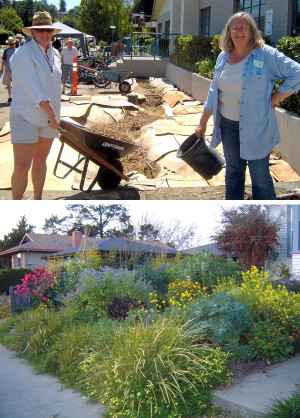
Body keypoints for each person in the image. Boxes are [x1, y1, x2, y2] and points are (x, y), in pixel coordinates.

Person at [195, 12, 300, 200]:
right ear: (228, 32)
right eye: (234, 27)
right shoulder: (223, 57)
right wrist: (202, 122)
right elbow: (213, 92)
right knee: (233, 174)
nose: (239, 31)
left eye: (244, 27)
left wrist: (277, 96)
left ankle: (267, 220)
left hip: (256, 127)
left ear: (252, 31)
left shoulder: (266, 54)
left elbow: (297, 73)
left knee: (260, 178)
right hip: (228, 126)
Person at [9, 11, 62, 200]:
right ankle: (16, 203)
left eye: (47, 29)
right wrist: (52, 113)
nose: (44, 33)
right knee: (22, 165)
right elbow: (34, 88)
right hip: (25, 114)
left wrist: (54, 113)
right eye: (39, 29)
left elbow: (55, 87)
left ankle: (37, 200)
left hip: (48, 117)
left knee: (40, 160)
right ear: (32, 32)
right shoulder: (22, 54)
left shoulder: (55, 54)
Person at [1, 36, 16, 104]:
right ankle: (16, 96)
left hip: (7, 69)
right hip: (16, 69)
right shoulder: (17, 50)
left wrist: (1, 68)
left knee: (8, 84)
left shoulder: (6, 51)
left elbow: (4, 60)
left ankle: (10, 96)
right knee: (15, 83)